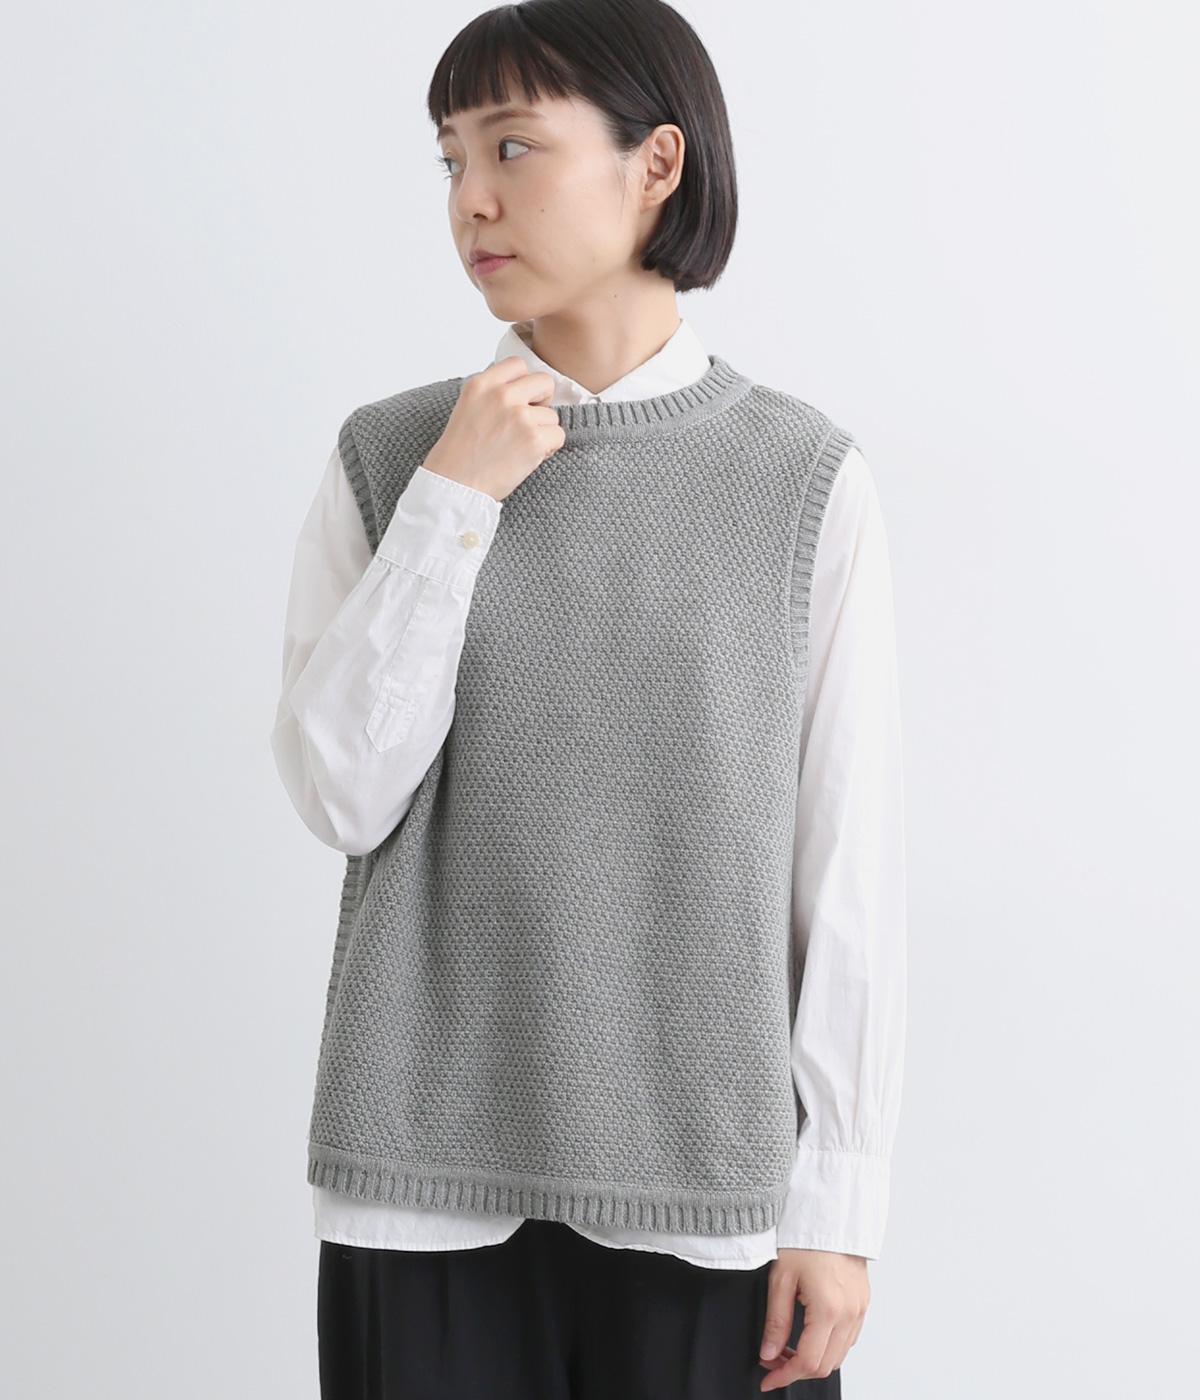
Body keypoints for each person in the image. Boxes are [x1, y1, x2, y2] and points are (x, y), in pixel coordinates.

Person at [268, 1, 907, 1395]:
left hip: (713, 1195)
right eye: (450, 158)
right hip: (421, 1183)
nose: (471, 199)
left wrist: (839, 1206)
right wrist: (455, 499)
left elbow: (844, 870)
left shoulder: (802, 480)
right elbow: (340, 794)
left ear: (656, 163)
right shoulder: (393, 457)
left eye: (513, 147)